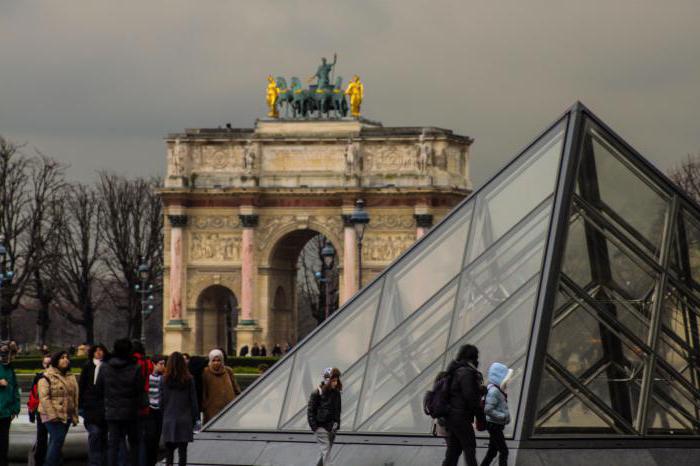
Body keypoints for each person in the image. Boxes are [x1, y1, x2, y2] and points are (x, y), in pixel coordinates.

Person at [97, 338, 144, 466]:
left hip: (112, 410)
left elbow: (99, 387)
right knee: (134, 443)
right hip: (131, 411)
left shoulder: (105, 367)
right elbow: (140, 390)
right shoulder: (136, 367)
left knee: (113, 443)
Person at [442, 344, 485, 466]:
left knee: (453, 452)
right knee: (469, 447)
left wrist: (479, 390)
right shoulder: (466, 373)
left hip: (451, 416)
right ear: (473, 357)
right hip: (461, 417)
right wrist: (480, 416)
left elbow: (458, 393)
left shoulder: (454, 370)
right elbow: (470, 397)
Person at [38, 351, 79, 466]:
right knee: (57, 441)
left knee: (56, 442)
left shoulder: (70, 376)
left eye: (67, 357)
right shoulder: (46, 376)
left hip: (66, 414)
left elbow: (74, 397)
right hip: (51, 415)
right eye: (62, 358)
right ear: (56, 360)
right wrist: (53, 416)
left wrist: (74, 415)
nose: (65, 360)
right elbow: (44, 398)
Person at [160, 352, 198, 466]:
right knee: (183, 452)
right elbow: (193, 401)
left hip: (169, 418)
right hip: (185, 419)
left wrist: (164, 415)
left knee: (169, 453)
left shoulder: (163, 380)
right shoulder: (189, 379)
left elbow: (161, 401)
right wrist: (195, 418)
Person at [79, 344, 109, 466]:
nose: (98, 352)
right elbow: (82, 385)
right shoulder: (87, 366)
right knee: (95, 434)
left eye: (101, 350)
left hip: (104, 406)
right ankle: (94, 462)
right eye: (96, 350)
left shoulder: (107, 366)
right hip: (90, 406)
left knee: (103, 437)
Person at [307, 367, 342, 466]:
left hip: (332, 428)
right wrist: (315, 427)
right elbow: (310, 411)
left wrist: (337, 424)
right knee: (326, 450)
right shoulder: (317, 393)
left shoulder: (336, 393)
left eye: (337, 380)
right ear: (327, 380)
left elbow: (338, 410)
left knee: (325, 452)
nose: (335, 383)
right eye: (333, 380)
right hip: (320, 427)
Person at [480, 363, 513, 466]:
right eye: (506, 379)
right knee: (504, 451)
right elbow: (488, 409)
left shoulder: (496, 390)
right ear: (499, 378)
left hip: (495, 425)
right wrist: (502, 416)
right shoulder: (494, 391)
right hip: (494, 425)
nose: (508, 382)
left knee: (492, 452)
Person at [201, 349, 240, 424]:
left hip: (229, 407)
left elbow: (235, 388)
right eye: (214, 360)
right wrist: (205, 405)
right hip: (212, 409)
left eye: (218, 360)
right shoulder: (205, 372)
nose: (216, 363)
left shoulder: (228, 371)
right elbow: (204, 390)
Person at [132, 340, 154, 465]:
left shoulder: (132, 362)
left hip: (133, 402)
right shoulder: (147, 362)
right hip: (144, 400)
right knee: (142, 437)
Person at [27, 354, 52, 466]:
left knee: (54, 438)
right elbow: (33, 395)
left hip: (53, 412)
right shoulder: (38, 377)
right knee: (42, 438)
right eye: (46, 363)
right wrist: (31, 412)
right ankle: (41, 461)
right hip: (41, 411)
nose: (47, 365)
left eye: (49, 363)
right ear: (43, 364)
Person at [0, 341, 20, 466]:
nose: (5, 356)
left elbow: (15, 390)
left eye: (6, 353)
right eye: (2, 353)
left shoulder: (10, 369)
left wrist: (15, 409)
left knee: (3, 442)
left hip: (6, 412)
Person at [145, 355, 166, 466]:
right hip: (150, 410)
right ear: (154, 364)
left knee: (157, 438)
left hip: (159, 410)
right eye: (160, 364)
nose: (163, 366)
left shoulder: (164, 377)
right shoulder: (147, 376)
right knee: (151, 437)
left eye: (164, 364)